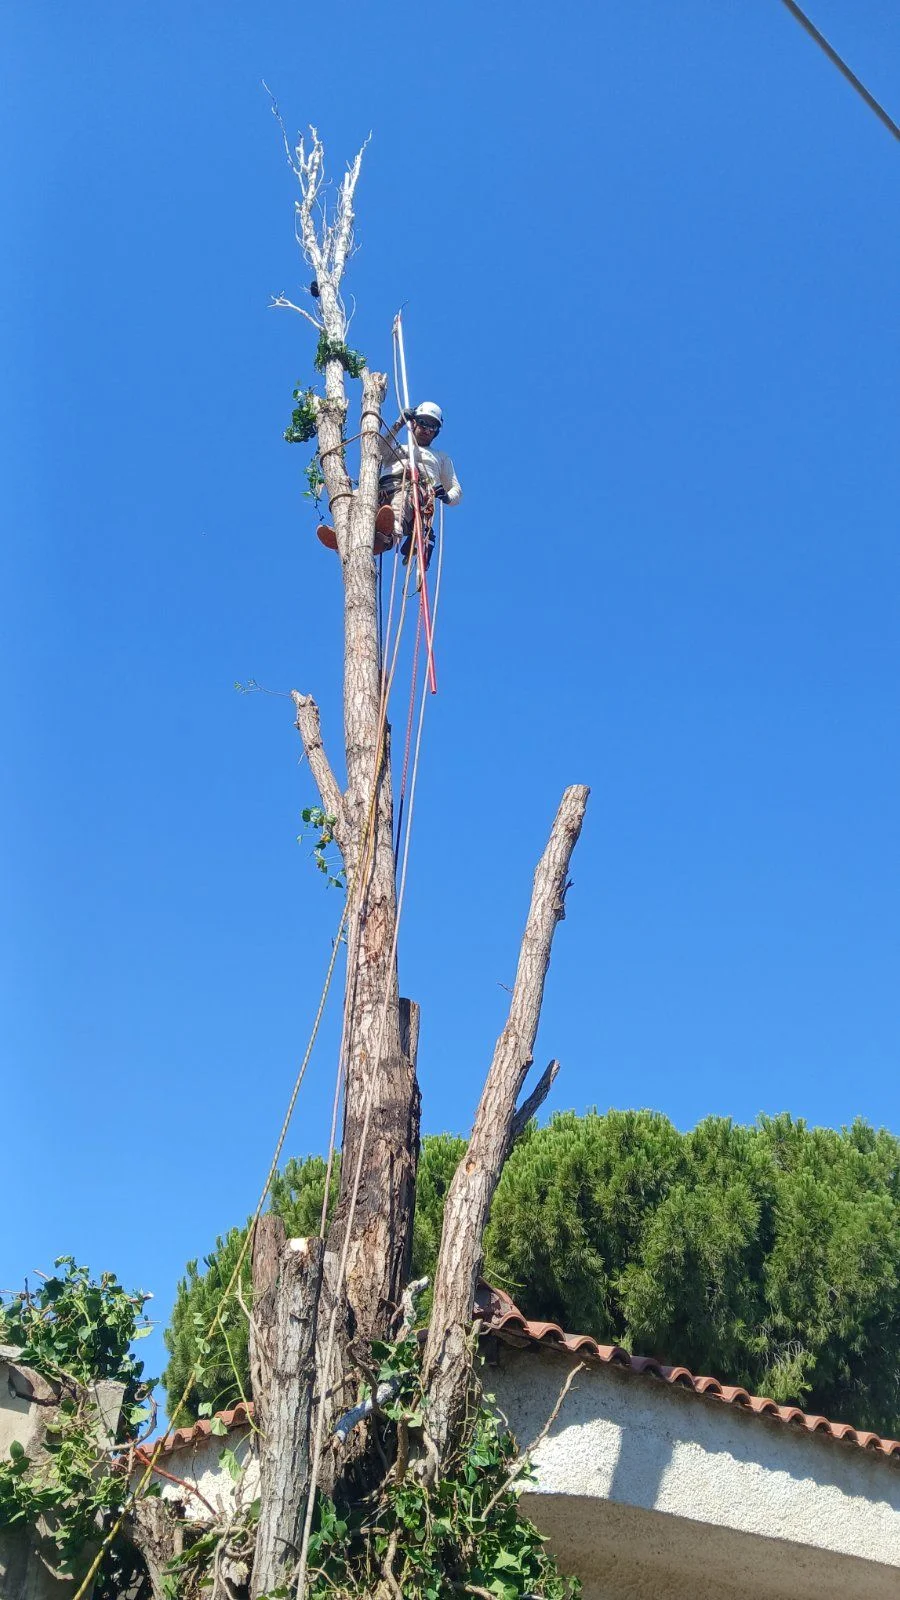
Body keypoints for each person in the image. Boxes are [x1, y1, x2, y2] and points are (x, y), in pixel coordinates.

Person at [376, 402, 462, 568]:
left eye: (433, 427)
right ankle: (343, 531)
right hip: (383, 489)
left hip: (413, 490)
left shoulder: (440, 457)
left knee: (400, 504)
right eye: (423, 423)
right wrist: (399, 423)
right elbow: (377, 449)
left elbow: (456, 490)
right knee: (355, 497)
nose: (427, 430)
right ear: (414, 422)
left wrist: (446, 496)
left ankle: (389, 537)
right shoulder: (399, 448)